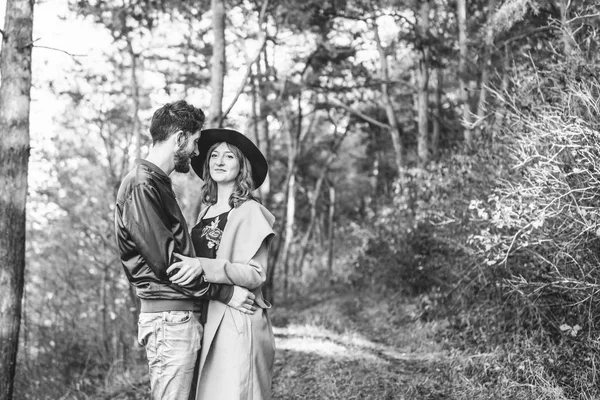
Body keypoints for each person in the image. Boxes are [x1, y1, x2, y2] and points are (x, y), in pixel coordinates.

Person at [114, 102, 257, 400]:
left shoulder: (156, 183)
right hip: (170, 319)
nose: (195, 151)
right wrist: (226, 293)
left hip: (179, 317)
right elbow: (169, 265)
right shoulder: (142, 186)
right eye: (194, 141)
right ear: (179, 138)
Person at [167, 128, 276, 400]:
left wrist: (204, 266)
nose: (219, 161)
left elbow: (255, 274)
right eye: (214, 155)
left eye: (229, 157)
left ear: (241, 167)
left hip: (238, 319)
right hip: (208, 314)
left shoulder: (250, 210)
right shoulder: (206, 211)